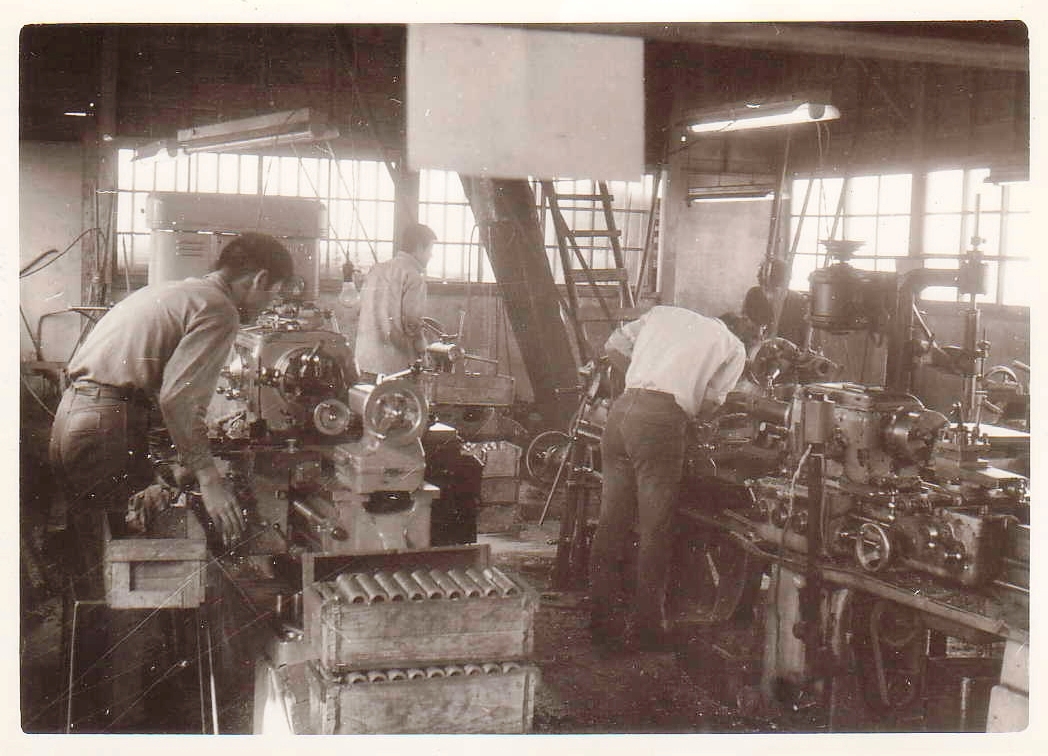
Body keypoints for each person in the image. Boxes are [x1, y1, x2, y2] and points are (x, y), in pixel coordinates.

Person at [48, 231, 293, 730]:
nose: (269, 306)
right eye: (274, 295)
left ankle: (100, 704)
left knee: (101, 569)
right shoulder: (220, 309)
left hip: (77, 417)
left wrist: (178, 460)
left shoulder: (177, 291)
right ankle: (127, 719)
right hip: (105, 426)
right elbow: (179, 399)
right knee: (135, 572)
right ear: (259, 279)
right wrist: (208, 476)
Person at [588, 305, 755, 652]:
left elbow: (612, 347)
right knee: (655, 529)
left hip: (621, 413)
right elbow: (712, 404)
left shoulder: (665, 314)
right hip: (659, 424)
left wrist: (644, 378)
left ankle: (601, 622)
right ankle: (647, 627)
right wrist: (689, 419)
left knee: (611, 524)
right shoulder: (734, 347)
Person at [354, 222, 436, 381]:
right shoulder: (414, 277)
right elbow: (412, 323)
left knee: (367, 397)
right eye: (430, 250)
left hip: (364, 360)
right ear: (419, 247)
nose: (431, 255)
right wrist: (423, 351)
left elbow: (359, 309)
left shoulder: (376, 269)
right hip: (394, 366)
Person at [742, 258, 808, 347]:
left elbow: (803, 336)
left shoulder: (799, 301)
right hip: (758, 347)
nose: (757, 275)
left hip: (788, 349)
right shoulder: (754, 294)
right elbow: (746, 326)